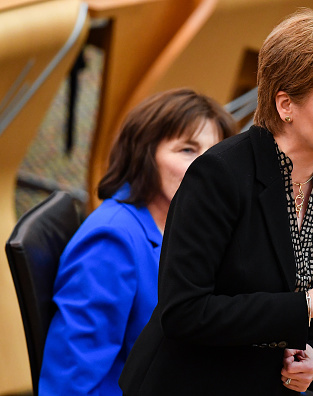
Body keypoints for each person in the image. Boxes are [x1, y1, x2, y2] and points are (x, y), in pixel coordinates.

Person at [119, 8, 313, 396]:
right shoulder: (219, 176)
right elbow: (184, 314)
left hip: (274, 383)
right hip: (191, 382)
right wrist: (305, 304)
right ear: (285, 105)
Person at [39, 88, 238, 395]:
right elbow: (70, 384)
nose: (206, 168)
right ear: (145, 155)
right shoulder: (112, 241)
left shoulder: (190, 229)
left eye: (214, 154)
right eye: (187, 150)